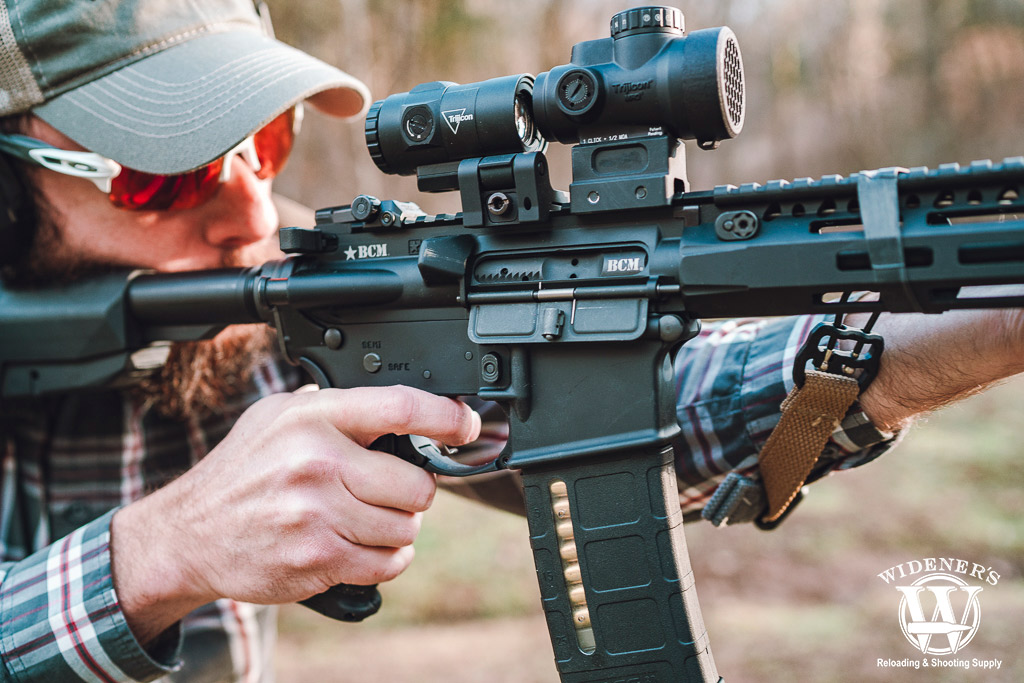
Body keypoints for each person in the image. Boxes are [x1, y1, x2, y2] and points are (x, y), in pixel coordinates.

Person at [0, 1, 1020, 682]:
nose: (249, 215)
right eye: (156, 177)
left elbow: (654, 414)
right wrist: (157, 551)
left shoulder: (290, 291)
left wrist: (981, 323)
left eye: (264, 145)